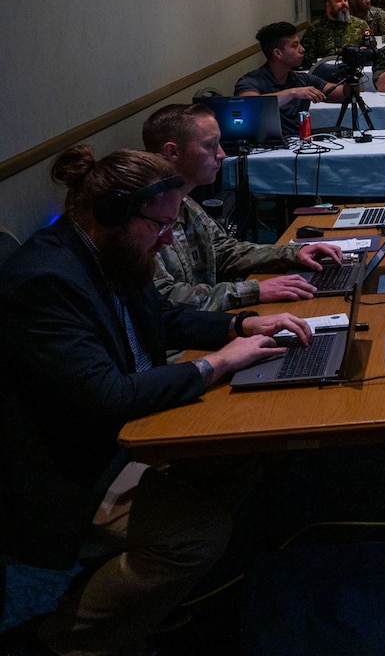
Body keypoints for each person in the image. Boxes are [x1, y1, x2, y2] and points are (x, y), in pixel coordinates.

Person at [0, 146, 311, 656]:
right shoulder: (46, 281)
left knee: (242, 455)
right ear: (112, 213)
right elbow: (109, 395)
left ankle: (151, 599)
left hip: (118, 434)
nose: (168, 238)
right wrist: (218, 363)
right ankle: (69, 641)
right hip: (67, 469)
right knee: (197, 535)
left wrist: (240, 323)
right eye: (160, 225)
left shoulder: (111, 250)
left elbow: (164, 319)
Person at [142, 104, 343, 311]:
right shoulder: (143, 219)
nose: (222, 155)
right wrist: (253, 290)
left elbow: (225, 251)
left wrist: (293, 253)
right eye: (210, 145)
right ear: (172, 152)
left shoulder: (185, 203)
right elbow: (164, 298)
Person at [235, 22, 345, 136]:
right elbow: (249, 106)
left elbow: (343, 93)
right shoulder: (252, 81)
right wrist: (292, 93)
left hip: (298, 145)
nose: (302, 49)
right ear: (278, 53)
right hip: (264, 148)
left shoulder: (301, 79)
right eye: (295, 46)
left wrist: (353, 73)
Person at [301, 0, 367, 67]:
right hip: (325, 71)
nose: (343, 3)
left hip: (355, 69)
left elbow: (371, 50)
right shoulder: (315, 28)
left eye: (345, 0)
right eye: (339, 1)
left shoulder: (361, 25)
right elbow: (307, 58)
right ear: (328, 5)